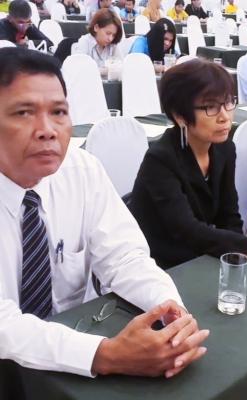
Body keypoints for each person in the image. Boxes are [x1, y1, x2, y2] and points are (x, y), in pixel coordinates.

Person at [0, 47, 209, 378]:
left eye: (58, 112)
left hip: (71, 349)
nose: (47, 129)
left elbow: (124, 257)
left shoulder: (81, 169)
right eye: (24, 112)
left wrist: (169, 311)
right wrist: (105, 355)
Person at [128, 59, 247, 269]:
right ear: (180, 116)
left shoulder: (224, 148)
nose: (225, 116)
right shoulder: (160, 159)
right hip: (159, 264)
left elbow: (229, 217)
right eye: (210, 107)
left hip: (202, 255)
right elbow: (187, 230)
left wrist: (238, 261)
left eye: (228, 103)